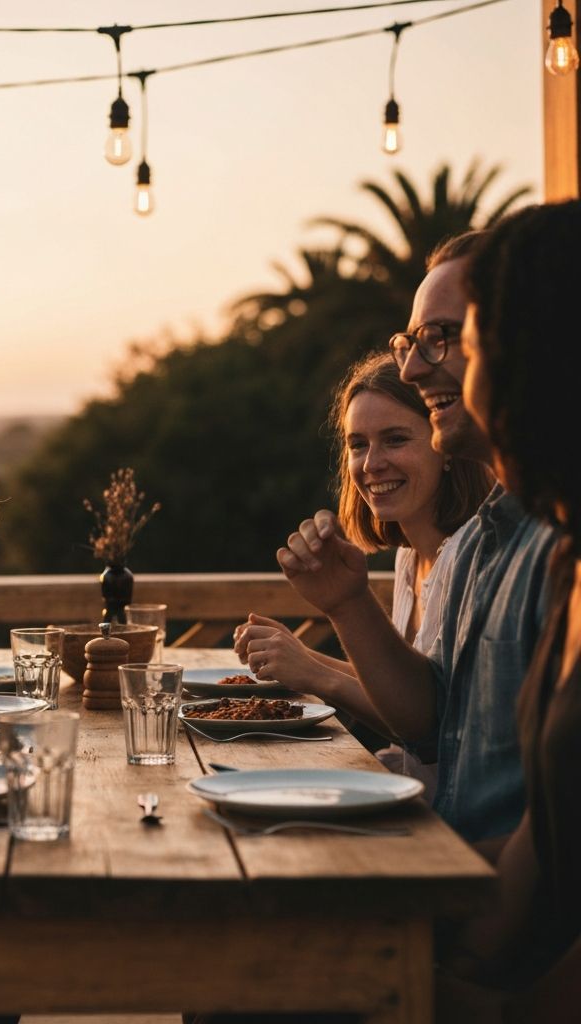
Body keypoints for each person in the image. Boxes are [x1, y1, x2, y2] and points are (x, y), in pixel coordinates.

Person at [268, 230, 558, 844]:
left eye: (443, 339)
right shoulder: (484, 542)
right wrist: (345, 603)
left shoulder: (541, 544)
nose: (413, 366)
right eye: (356, 445)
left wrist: (316, 667)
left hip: (462, 875)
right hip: (444, 859)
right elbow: (434, 724)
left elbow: (548, 819)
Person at [433, 199, 581, 1023]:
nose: (456, 377)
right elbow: (546, 839)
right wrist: (462, 958)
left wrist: (487, 1010)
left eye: (473, 345)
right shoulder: (569, 558)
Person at [235, 352, 491, 798]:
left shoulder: (472, 557)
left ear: (445, 446)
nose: (371, 464)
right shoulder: (410, 558)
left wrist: (318, 675)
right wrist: (301, 658)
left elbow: (435, 728)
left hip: (450, 825)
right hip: (409, 794)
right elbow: (407, 695)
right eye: (357, 444)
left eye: (394, 439)